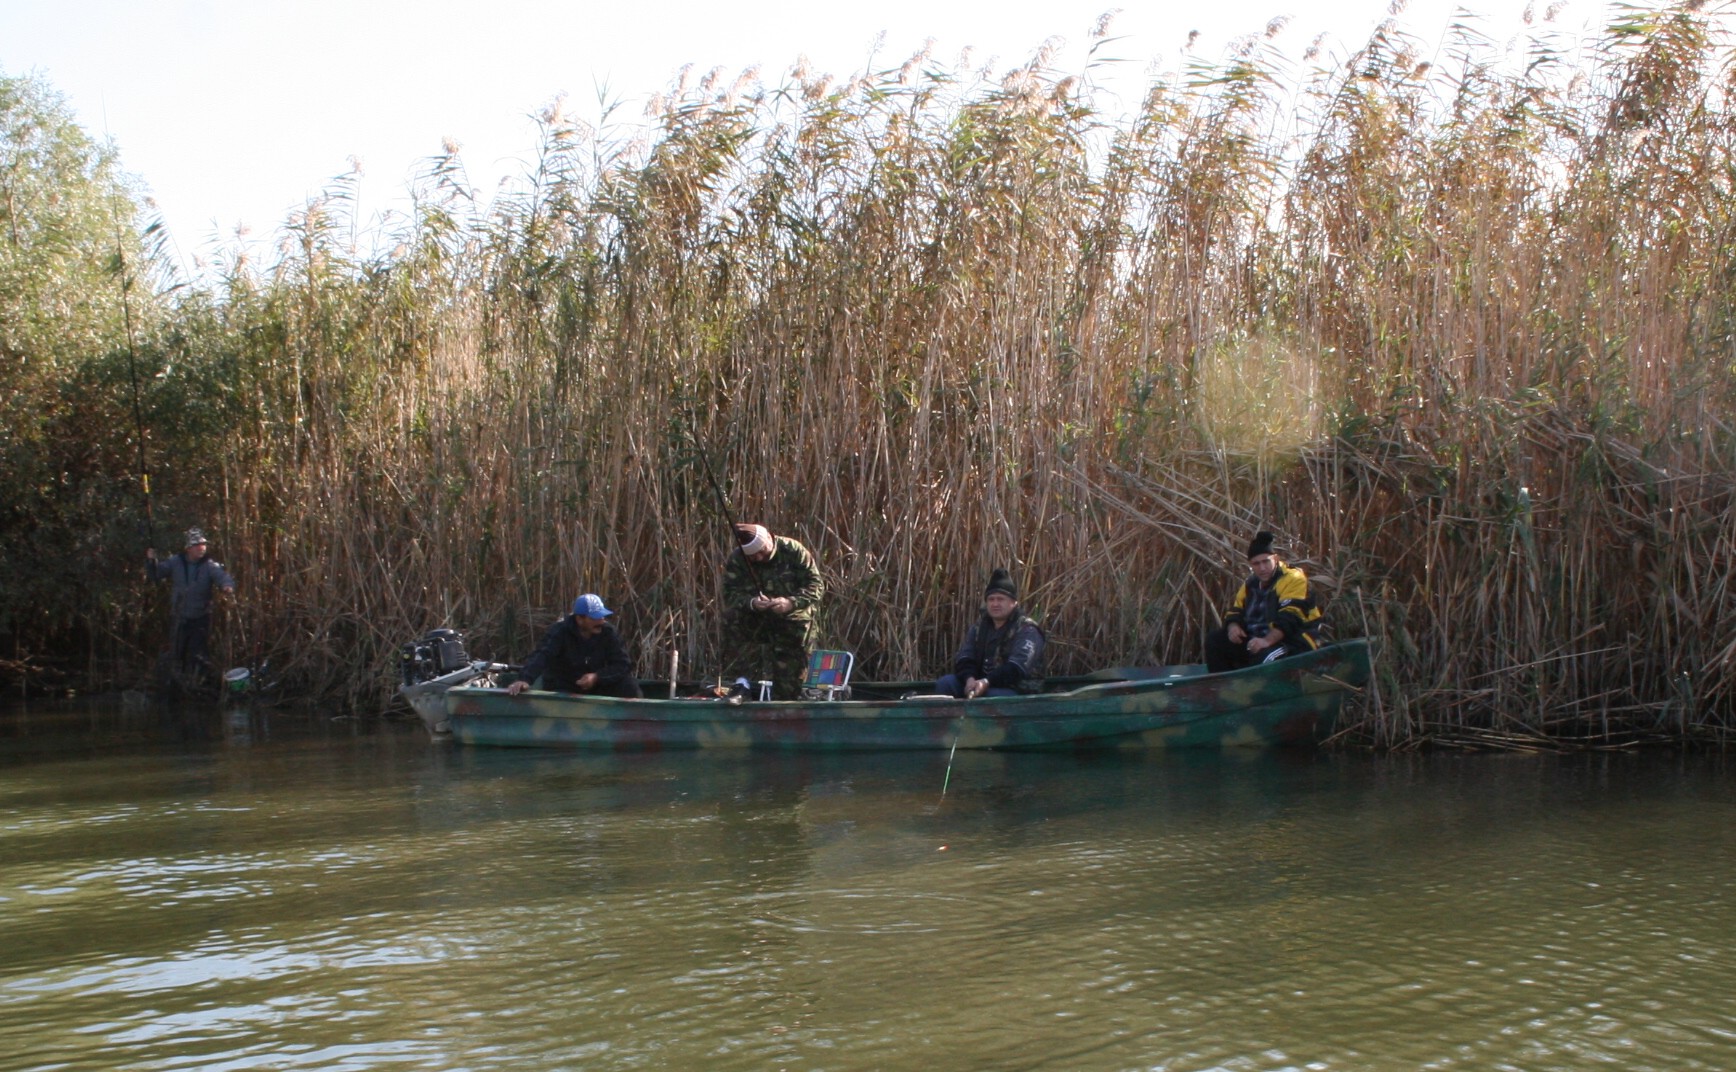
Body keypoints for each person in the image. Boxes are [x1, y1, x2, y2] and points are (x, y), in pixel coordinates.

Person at [722, 523, 824, 700]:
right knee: (732, 618)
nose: (759, 558)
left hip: (793, 616)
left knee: (789, 682)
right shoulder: (738, 559)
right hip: (756, 616)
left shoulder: (793, 550)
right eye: (753, 557)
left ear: (770, 537)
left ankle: (789, 693)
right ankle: (742, 683)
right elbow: (730, 593)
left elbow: (816, 585)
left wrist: (791, 602)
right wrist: (752, 602)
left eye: (762, 552)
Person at [1204, 530, 1323, 673]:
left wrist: (1266, 641)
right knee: (1215, 640)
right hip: (1258, 639)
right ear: (1250, 565)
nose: (1262, 568)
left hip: (1293, 640)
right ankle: (1221, 688)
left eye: (1266, 562)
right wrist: (1233, 627)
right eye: (1256, 564)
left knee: (1265, 659)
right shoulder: (1250, 584)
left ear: (1276, 559)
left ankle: (1261, 691)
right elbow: (1235, 611)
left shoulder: (1294, 579)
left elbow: (1290, 618)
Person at [936, 568, 1045, 698]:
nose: (995, 604)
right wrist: (969, 679)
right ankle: (951, 718)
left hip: (1017, 689)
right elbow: (965, 657)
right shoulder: (979, 627)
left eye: (1000, 599)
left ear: (1013, 602)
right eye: (991, 599)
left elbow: (1016, 668)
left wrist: (987, 682)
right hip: (980, 683)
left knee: (991, 696)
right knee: (946, 683)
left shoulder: (1027, 629)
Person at [145, 527, 236, 685]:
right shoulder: (175, 562)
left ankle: (199, 682)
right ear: (188, 548)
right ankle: (176, 683)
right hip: (179, 616)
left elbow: (222, 576)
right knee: (177, 652)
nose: (202, 548)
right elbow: (156, 574)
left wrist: (227, 586)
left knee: (198, 654)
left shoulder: (209, 565)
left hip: (200, 617)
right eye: (197, 545)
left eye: (203, 544)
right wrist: (151, 561)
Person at [506, 593, 643, 698]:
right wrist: (524, 679)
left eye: (602, 616)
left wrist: (597, 677)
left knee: (629, 686)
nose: (601, 621)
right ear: (580, 619)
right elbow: (542, 655)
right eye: (595, 618)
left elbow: (623, 664)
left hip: (596, 684)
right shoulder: (560, 631)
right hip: (564, 685)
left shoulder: (608, 632)